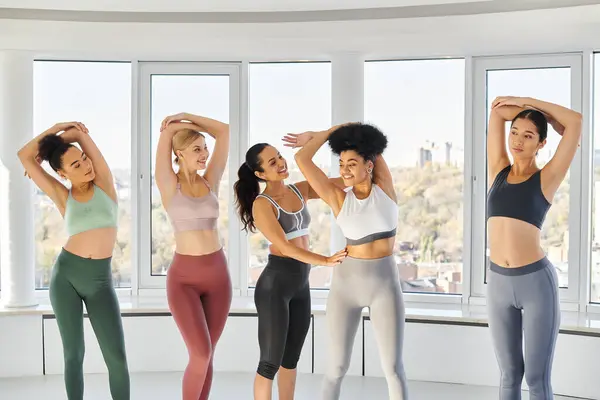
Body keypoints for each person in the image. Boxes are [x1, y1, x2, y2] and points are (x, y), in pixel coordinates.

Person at [289, 123, 408, 400]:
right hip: (346, 287)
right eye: (341, 163)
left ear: (369, 164)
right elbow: (301, 159)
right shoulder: (338, 198)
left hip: (385, 286)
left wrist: (329, 134)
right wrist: (319, 137)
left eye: (352, 163)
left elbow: (363, 132)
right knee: (337, 366)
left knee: (392, 367)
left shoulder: (385, 189)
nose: (344, 170)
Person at [18, 122, 129, 400]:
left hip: (100, 281)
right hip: (66, 277)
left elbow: (80, 134)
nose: (86, 166)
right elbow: (23, 156)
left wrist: (53, 146)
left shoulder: (104, 182)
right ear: (62, 173)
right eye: (75, 166)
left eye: (84, 159)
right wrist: (53, 132)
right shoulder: (61, 195)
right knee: (73, 354)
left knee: (116, 357)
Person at [233, 143, 347, 400]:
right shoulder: (262, 204)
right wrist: (325, 260)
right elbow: (285, 246)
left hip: (300, 285)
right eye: (272, 163)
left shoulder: (300, 189)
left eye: (280, 157)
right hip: (276, 285)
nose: (281, 163)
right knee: (269, 363)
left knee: (291, 360)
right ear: (260, 174)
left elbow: (338, 183)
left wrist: (361, 168)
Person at [486, 96, 582, 400]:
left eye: (528, 136)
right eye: (515, 132)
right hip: (498, 284)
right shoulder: (498, 170)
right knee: (509, 375)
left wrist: (529, 103)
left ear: (541, 144)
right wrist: (529, 115)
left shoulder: (547, 177)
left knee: (537, 379)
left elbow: (575, 122)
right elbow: (498, 113)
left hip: (536, 284)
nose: (518, 140)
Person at [155, 113, 232, 400]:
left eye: (205, 148)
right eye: (197, 149)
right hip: (184, 280)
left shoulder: (210, 179)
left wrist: (188, 116)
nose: (204, 154)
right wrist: (177, 124)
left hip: (218, 276)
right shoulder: (167, 183)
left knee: (208, 355)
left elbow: (223, 132)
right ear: (179, 153)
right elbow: (166, 133)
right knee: (199, 354)